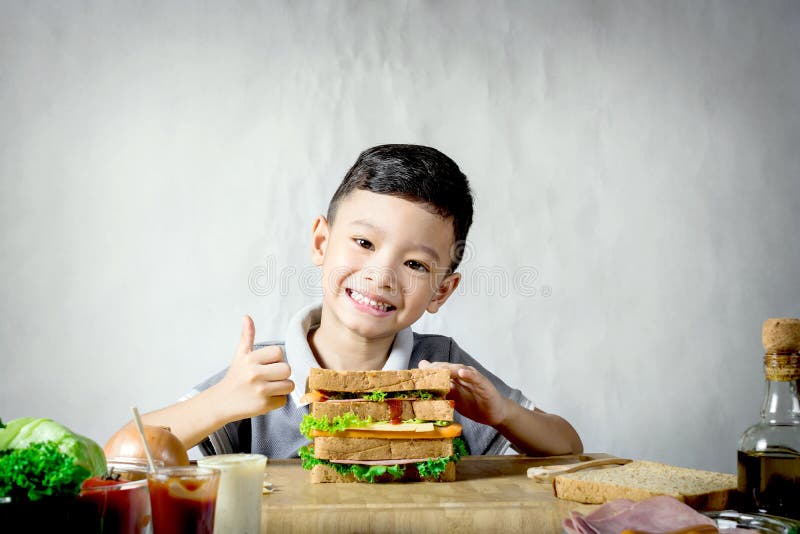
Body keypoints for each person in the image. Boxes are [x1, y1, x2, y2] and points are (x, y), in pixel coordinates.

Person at [143, 144, 583, 458]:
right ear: (321, 242)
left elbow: (567, 444)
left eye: (415, 265)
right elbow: (125, 453)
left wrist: (503, 413)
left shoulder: (441, 368)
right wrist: (219, 402)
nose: (381, 276)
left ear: (442, 291)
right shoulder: (263, 372)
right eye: (363, 242)